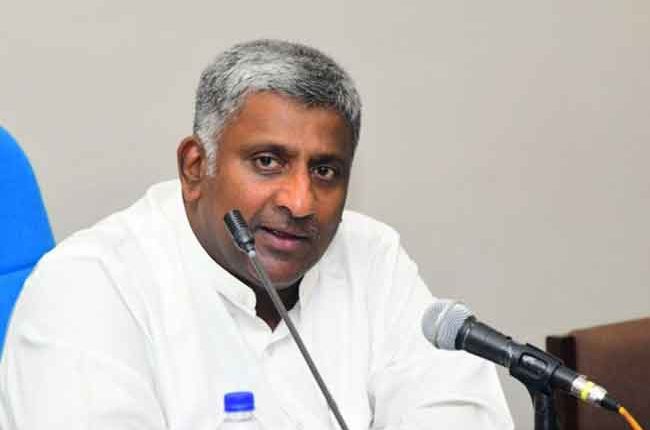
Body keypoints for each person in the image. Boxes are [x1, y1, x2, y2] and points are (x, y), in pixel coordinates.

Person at [0, 40, 513, 429]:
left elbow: (458, 412)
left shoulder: (372, 256)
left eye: (325, 171)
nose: (300, 202)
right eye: (268, 162)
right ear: (196, 167)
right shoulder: (89, 283)